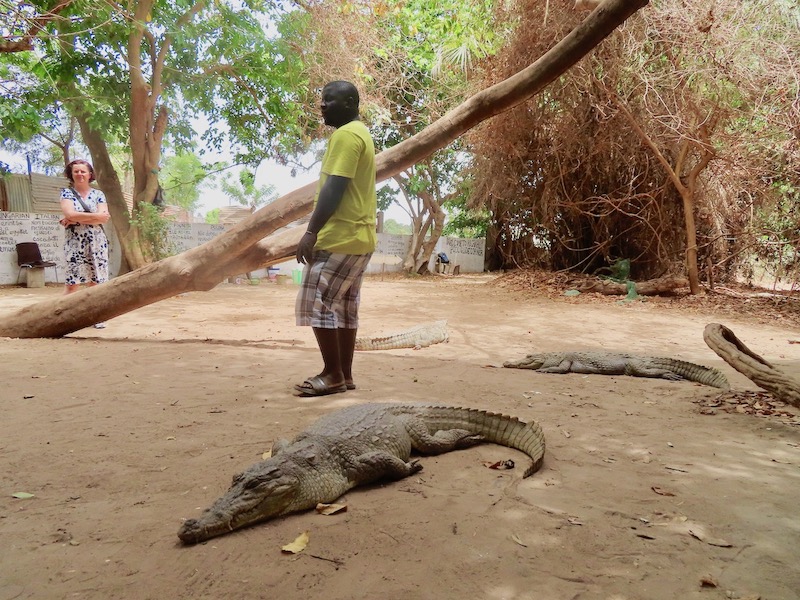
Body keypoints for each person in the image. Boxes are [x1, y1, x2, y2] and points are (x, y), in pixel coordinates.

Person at [293, 80, 377, 396]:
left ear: (350, 103)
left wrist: (311, 232)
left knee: (316, 301)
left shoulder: (345, 136)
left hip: (340, 236)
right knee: (344, 308)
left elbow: (335, 186)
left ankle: (331, 374)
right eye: (322, 99)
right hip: (361, 236)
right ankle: (345, 374)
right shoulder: (362, 133)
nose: (322, 105)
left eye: (329, 100)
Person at [59, 159, 111, 327]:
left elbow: (104, 217)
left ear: (90, 174)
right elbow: (71, 214)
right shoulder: (66, 193)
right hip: (75, 242)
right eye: (76, 171)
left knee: (96, 283)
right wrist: (91, 217)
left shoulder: (99, 194)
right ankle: (61, 317)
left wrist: (75, 217)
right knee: (73, 283)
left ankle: (97, 317)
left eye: (83, 171)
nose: (80, 174)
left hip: (97, 242)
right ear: (71, 174)